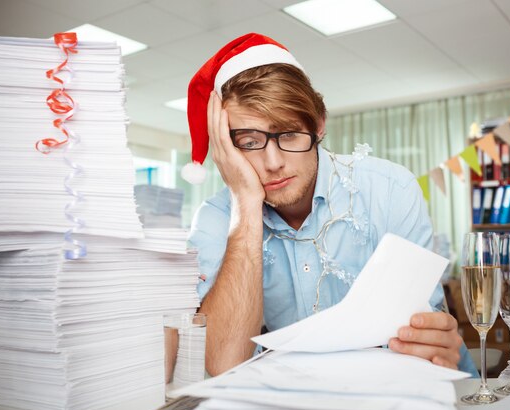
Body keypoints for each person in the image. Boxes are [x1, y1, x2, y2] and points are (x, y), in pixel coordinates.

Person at [183, 33, 476, 377]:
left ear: (318, 125)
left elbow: (421, 339)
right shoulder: (216, 218)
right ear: (225, 150)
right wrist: (246, 204)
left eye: (289, 134)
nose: (273, 162)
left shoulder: (391, 189)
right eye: (249, 143)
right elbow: (224, 364)